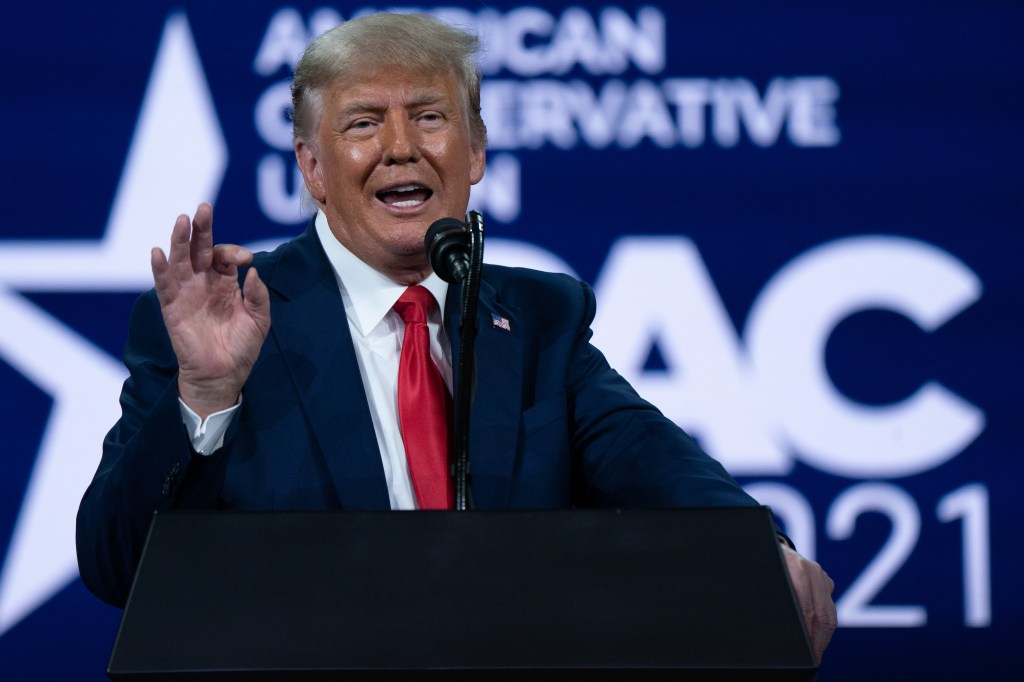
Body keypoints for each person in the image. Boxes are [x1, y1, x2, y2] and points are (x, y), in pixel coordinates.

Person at [76, 12, 836, 661]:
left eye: (429, 118)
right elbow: (116, 568)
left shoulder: (540, 319)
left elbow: (655, 462)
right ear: (311, 166)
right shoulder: (232, 319)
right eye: (364, 122)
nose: (402, 147)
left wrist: (754, 550)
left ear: (474, 153)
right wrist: (206, 396)